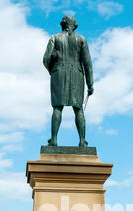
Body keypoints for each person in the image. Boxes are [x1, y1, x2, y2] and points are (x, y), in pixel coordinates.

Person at [43, 15, 94, 147]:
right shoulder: (81, 39)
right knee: (78, 109)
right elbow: (87, 63)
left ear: (62, 24)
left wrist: (52, 70)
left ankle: (54, 139)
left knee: (57, 108)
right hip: (77, 74)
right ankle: (82, 141)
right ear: (74, 25)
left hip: (58, 73)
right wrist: (90, 83)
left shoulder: (54, 38)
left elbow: (45, 59)